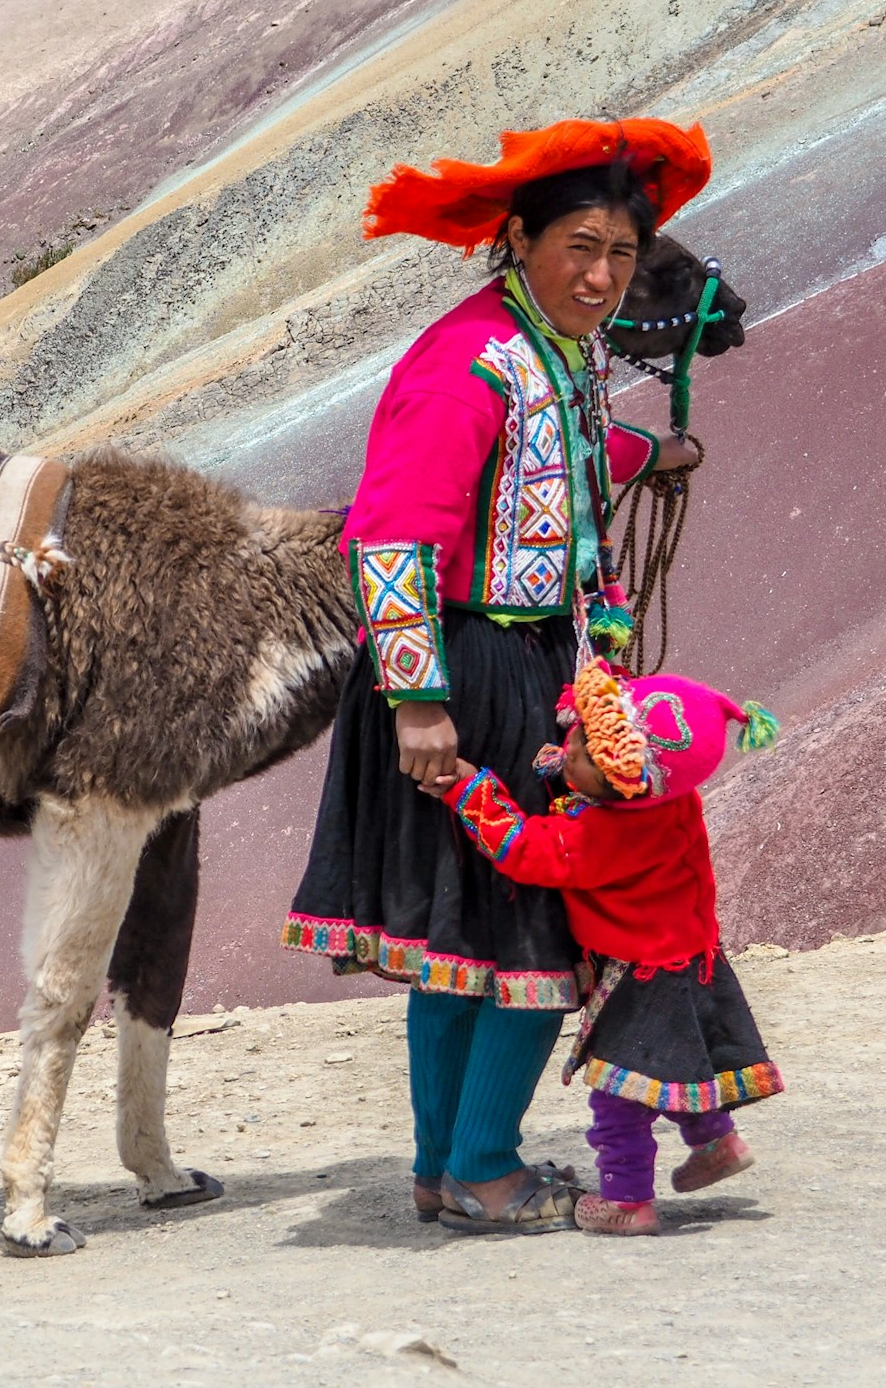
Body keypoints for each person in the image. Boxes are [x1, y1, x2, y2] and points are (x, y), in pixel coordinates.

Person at [283, 118, 712, 1233]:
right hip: (469, 668)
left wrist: (647, 453)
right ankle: (485, 1166)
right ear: (519, 236)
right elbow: (391, 535)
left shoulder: (549, 347)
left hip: (525, 655)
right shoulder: (467, 360)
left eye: (620, 253)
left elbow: (553, 455)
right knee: (539, 928)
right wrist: (418, 699)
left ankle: (443, 1166)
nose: (602, 274)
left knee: (462, 940)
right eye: (579, 245)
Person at [440, 658, 783, 1235]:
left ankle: (628, 1203)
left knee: (620, 1095)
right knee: (676, 1067)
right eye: (581, 737)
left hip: (639, 979)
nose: (570, 753)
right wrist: (574, 775)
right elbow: (589, 792)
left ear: (629, 788)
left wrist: (471, 792)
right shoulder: (669, 801)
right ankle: (716, 1142)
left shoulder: (609, 831)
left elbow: (528, 850)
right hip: (690, 958)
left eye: (592, 762)